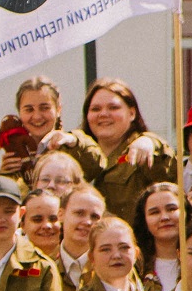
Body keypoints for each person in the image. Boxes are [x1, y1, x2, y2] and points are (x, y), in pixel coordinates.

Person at [74, 78, 174, 224]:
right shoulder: (79, 153)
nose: (103, 114)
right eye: (95, 109)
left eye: (113, 108)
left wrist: (150, 141)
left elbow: (167, 166)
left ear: (132, 113)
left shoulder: (144, 148)